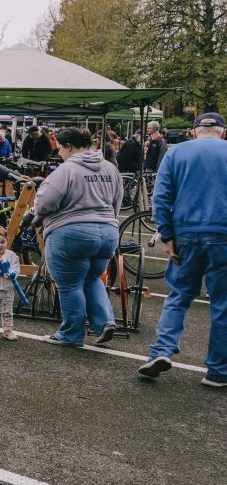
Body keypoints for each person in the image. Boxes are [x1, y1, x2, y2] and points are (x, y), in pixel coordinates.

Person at [139, 113, 227, 388]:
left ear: (193, 131)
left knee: (178, 296)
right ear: (223, 132)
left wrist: (167, 235)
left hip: (186, 234)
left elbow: (161, 197)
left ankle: (161, 351)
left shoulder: (177, 153)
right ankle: (217, 370)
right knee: (222, 305)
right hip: (223, 235)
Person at [32, 127, 122, 347]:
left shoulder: (66, 170)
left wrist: (36, 217)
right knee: (92, 278)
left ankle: (72, 334)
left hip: (71, 233)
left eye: (60, 149)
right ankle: (105, 322)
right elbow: (117, 202)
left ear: (69, 147)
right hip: (108, 232)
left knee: (70, 285)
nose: (59, 153)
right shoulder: (110, 168)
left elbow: (45, 202)